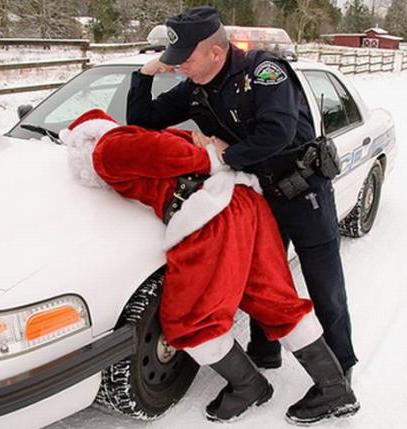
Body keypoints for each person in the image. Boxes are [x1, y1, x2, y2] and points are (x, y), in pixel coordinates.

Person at [59, 109, 358, 425]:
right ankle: (334, 389)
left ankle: (248, 386)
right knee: (272, 297)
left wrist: (210, 160)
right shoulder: (140, 134)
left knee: (190, 318)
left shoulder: (106, 148)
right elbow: (194, 142)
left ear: (82, 140)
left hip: (212, 214)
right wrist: (212, 156)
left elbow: (170, 152)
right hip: (244, 201)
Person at [126, 6, 358, 385]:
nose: (178, 65)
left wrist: (222, 154)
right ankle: (265, 353)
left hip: (302, 193)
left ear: (215, 52)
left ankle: (339, 373)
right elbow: (142, 121)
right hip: (257, 196)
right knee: (264, 281)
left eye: (185, 57)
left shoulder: (264, 72)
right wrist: (144, 74)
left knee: (324, 285)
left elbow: (277, 133)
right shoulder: (196, 88)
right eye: (175, 58)